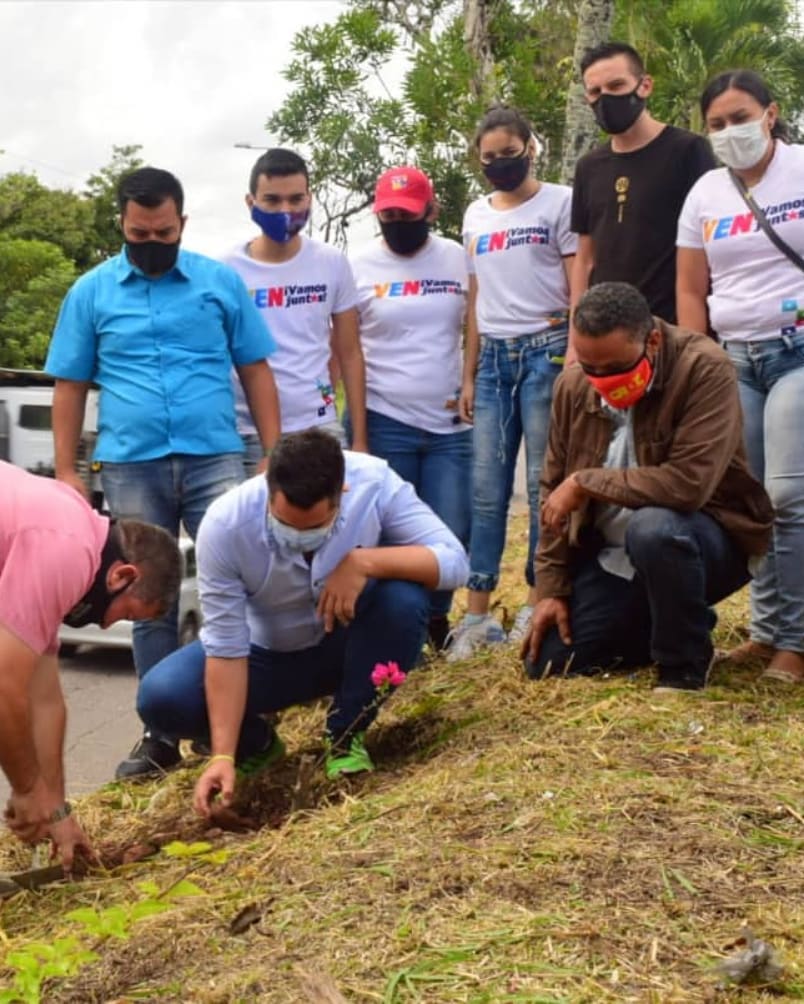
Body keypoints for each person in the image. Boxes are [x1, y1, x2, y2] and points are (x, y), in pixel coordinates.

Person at [45, 167, 281, 780]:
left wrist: (271, 453)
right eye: (139, 234)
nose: (152, 243)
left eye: (164, 233)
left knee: (240, 581)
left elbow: (255, 370)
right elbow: (69, 385)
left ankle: (243, 717)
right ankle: (161, 731)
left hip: (214, 458)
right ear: (122, 225)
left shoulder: (219, 283)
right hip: (132, 462)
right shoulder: (90, 292)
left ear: (182, 223)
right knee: (147, 597)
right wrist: (67, 469)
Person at [133, 428, 469, 814]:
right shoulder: (225, 524)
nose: (297, 536)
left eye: (313, 527)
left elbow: (454, 562)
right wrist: (223, 754)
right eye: (285, 522)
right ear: (268, 486)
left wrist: (364, 562)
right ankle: (257, 746)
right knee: (162, 697)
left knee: (404, 599)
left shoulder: (374, 483)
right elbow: (226, 645)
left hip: (346, 646)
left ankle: (345, 736)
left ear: (342, 492)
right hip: (265, 658)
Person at [521, 282, 773, 691]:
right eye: (590, 367)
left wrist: (586, 481)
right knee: (549, 662)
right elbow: (553, 492)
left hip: (702, 540)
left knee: (654, 528)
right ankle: (673, 619)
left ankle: (683, 666)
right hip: (614, 557)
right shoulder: (572, 385)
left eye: (614, 368)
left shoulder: (704, 368)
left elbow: (688, 485)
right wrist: (551, 589)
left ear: (652, 341)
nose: (601, 381)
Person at [676, 70, 804, 684]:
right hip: (734, 362)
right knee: (752, 502)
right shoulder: (705, 192)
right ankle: (766, 630)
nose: (730, 131)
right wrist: (703, 361)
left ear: (770, 114)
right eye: (718, 124)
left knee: (788, 495)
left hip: (796, 352)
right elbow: (690, 287)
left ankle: (795, 644)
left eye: (741, 118)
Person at [0, 462, 181, 868]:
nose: (106, 624)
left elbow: (45, 701)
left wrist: (56, 809)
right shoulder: (66, 550)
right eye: (125, 614)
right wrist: (27, 789)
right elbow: (5, 689)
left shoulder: (75, 529)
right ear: (122, 576)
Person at [449, 105, 576, 662]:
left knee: (541, 485)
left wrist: (574, 354)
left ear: (531, 147)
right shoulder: (475, 214)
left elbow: (577, 280)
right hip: (494, 361)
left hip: (547, 350)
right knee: (486, 491)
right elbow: (475, 298)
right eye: (490, 156)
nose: (501, 163)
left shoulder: (560, 202)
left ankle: (534, 599)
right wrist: (469, 372)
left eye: (510, 152)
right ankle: (477, 615)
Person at [350, 165, 472, 651]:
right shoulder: (358, 265)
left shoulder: (455, 256)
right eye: (389, 216)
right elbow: (347, 349)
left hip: (450, 424)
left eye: (408, 214)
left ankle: (436, 620)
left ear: (431, 210)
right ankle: (401, 633)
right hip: (386, 418)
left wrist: (471, 381)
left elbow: (475, 324)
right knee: (392, 534)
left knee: (451, 528)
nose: (399, 223)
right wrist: (359, 434)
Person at [222, 147, 367, 470]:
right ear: (251, 202)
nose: (285, 210)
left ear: (309, 199)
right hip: (247, 434)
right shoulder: (226, 270)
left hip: (318, 428)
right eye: (272, 200)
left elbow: (350, 352)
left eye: (296, 199)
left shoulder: (332, 263)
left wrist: (359, 440)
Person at [569, 41, 714, 351]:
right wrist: (574, 344)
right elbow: (585, 260)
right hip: (608, 341)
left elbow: (706, 248)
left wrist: (694, 344)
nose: (605, 98)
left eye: (616, 85)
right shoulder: (588, 167)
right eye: (595, 92)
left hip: (673, 331)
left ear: (645, 85)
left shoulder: (688, 150)